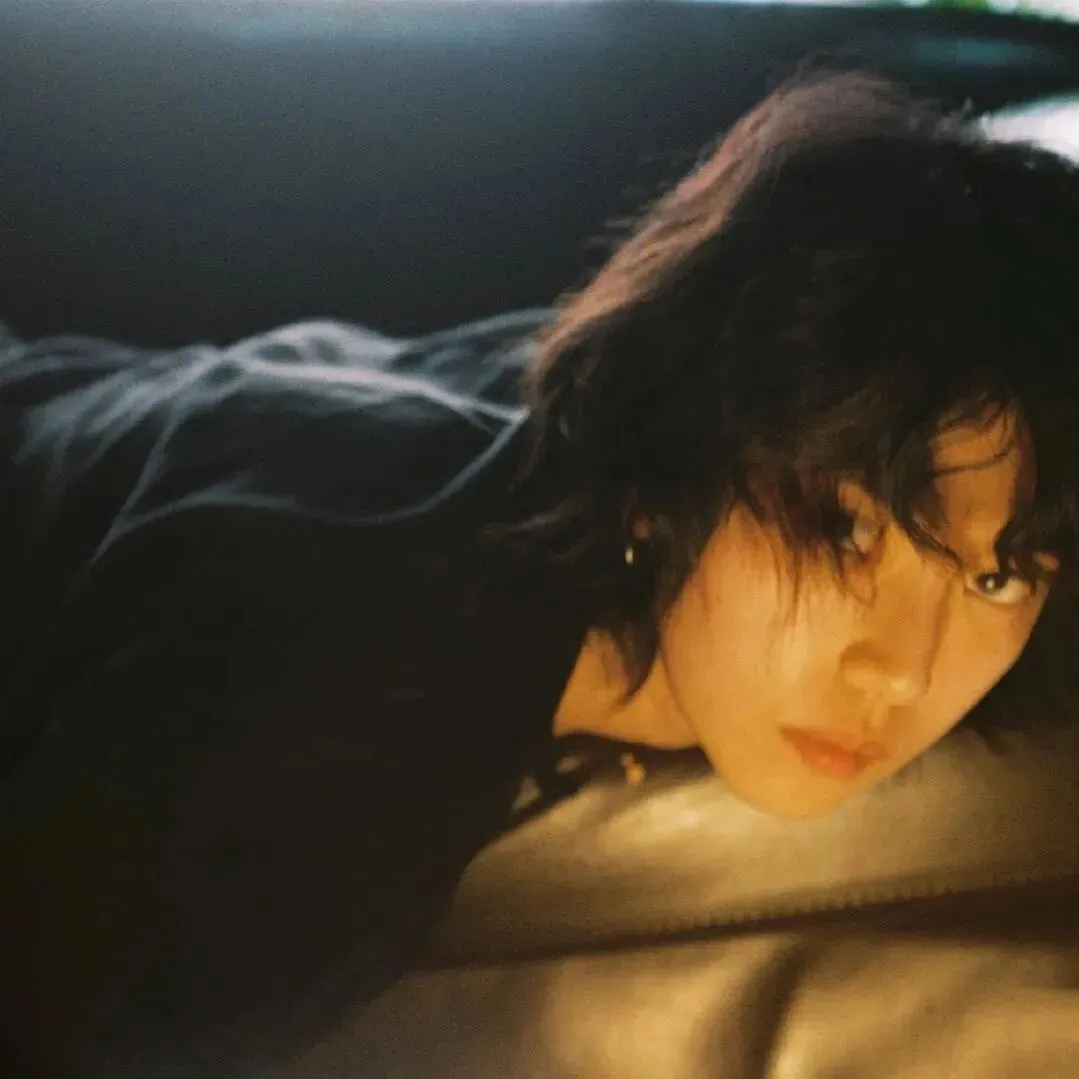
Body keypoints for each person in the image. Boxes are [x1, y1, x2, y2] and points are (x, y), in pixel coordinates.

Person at [2, 71, 1079, 1075]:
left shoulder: (601, 456)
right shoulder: (360, 677)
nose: (900, 672)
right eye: (844, 531)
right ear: (674, 446)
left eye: (995, 578)